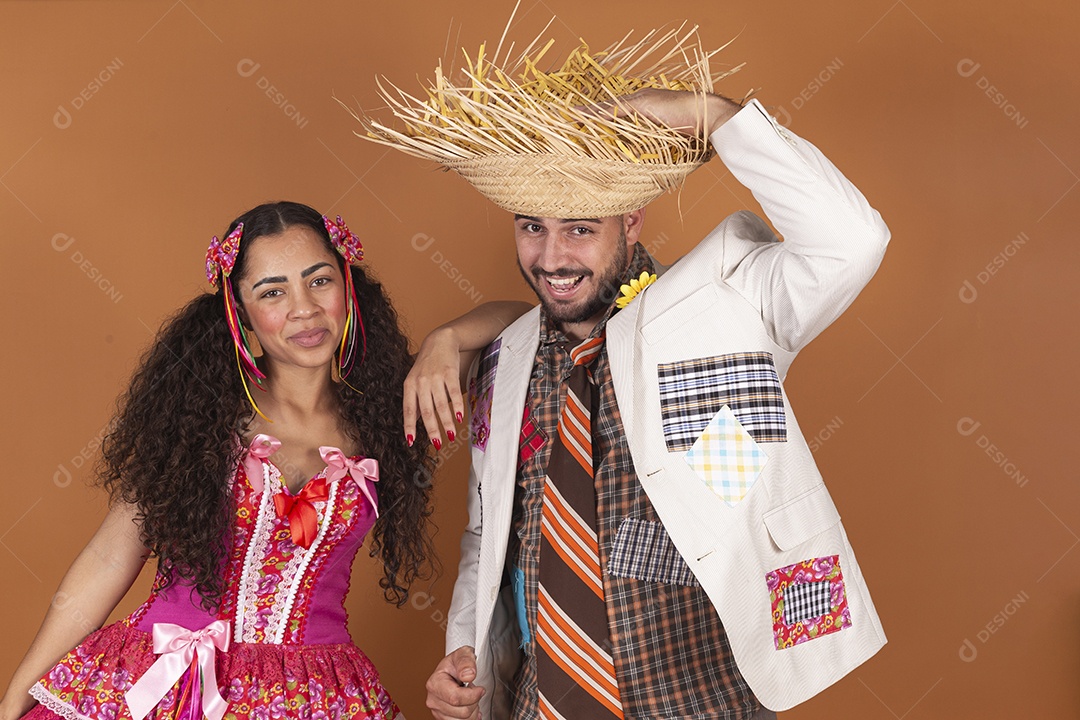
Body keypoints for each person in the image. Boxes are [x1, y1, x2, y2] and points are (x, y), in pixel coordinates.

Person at [381, 29, 890, 720]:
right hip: (544, 704)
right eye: (532, 227)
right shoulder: (505, 357)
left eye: (580, 229)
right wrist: (464, 652)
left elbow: (852, 239)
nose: (552, 256)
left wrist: (714, 115)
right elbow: (491, 531)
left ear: (631, 221)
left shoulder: (728, 303)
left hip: (706, 700)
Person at [0, 201, 443, 720]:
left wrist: (445, 341)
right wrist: (13, 702)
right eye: (272, 292)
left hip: (314, 695)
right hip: (166, 681)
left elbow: (514, 320)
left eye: (319, 280)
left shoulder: (395, 408)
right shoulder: (197, 416)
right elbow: (109, 557)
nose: (304, 309)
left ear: (348, 284)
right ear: (241, 313)